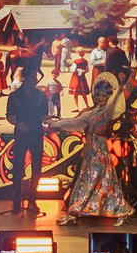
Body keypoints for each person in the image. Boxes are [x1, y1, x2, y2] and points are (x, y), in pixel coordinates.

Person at [57, 71, 133, 224]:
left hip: (100, 150)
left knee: (105, 181)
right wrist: (53, 123)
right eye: (98, 95)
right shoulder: (92, 113)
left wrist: (120, 87)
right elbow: (74, 123)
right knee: (86, 180)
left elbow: (113, 104)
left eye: (103, 96)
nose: (100, 98)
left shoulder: (106, 113)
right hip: (90, 150)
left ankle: (122, 212)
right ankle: (74, 212)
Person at [3, 54, 53, 215]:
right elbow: (10, 116)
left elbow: (44, 115)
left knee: (36, 168)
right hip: (21, 135)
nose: (36, 79)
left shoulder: (40, 96)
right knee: (18, 167)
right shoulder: (14, 95)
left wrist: (48, 120)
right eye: (33, 77)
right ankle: (16, 200)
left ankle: (32, 200)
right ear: (26, 78)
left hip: (36, 134)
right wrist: (19, 124)